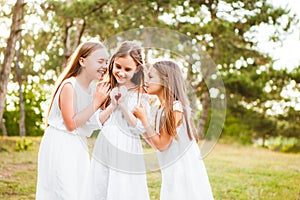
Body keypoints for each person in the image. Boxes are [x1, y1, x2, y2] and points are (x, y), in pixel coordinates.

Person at [36, 41, 110, 200]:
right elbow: (71, 124)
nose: (105, 66)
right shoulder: (69, 85)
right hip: (60, 143)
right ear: (82, 61)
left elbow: (89, 122)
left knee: (80, 191)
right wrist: (96, 102)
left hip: (78, 144)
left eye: (106, 61)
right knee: (64, 191)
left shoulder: (91, 89)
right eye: (100, 61)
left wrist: (113, 105)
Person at [133, 60, 214, 200]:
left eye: (151, 77)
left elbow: (161, 144)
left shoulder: (175, 108)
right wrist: (140, 123)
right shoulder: (160, 109)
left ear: (166, 81)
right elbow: (156, 143)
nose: (146, 80)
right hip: (171, 169)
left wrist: (144, 119)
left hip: (183, 170)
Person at [84, 41, 150, 200]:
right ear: (112, 63)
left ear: (137, 69)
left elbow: (140, 128)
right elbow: (95, 122)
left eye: (128, 69)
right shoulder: (104, 87)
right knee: (101, 185)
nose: (121, 72)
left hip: (127, 145)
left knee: (123, 188)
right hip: (105, 143)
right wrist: (112, 105)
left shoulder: (141, 94)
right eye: (118, 67)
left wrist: (124, 107)